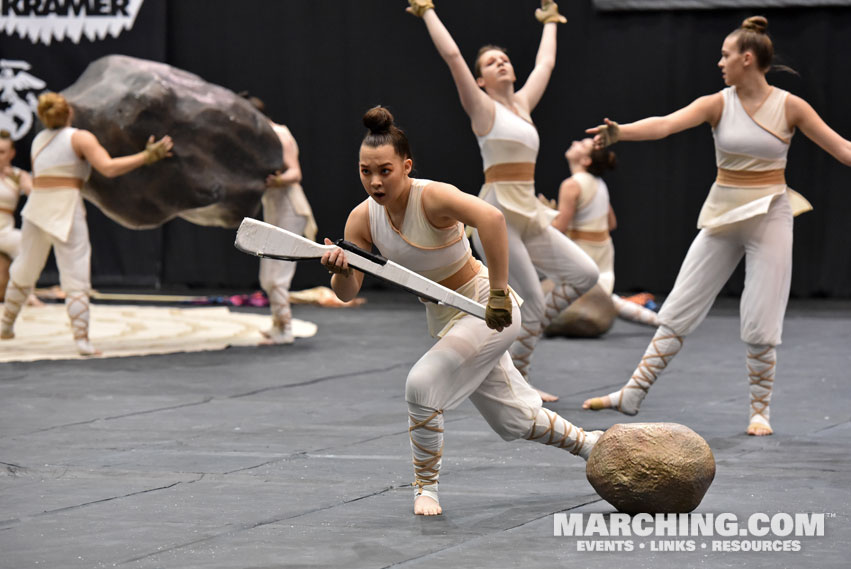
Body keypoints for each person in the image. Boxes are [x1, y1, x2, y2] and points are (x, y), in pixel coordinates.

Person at [322, 106, 600, 516]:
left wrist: (502, 293)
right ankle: (594, 445)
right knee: (516, 420)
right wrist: (338, 270)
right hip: (448, 319)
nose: (375, 181)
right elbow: (348, 293)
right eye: (366, 171)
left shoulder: (432, 196)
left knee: (422, 383)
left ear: (406, 165)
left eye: (385, 170)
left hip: (488, 309)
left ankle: (425, 487)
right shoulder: (361, 220)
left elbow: (492, 218)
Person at [581, 16, 851, 436]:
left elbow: (843, 149)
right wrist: (622, 133)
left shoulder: (790, 106)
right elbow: (666, 123)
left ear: (747, 58)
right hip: (724, 212)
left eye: (726, 55)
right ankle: (633, 392)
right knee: (680, 305)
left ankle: (759, 411)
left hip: (770, 215)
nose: (720, 62)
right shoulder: (718, 103)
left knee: (762, 314)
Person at [407, 0, 599, 402]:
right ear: (480, 81)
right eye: (492, 63)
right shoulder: (482, 109)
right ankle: (521, 382)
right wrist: (427, 12)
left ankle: (530, 328)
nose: (502, 64)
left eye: (505, 60)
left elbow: (545, 64)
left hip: (528, 211)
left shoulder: (523, 105)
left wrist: (550, 22)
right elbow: (453, 55)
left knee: (585, 274)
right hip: (498, 215)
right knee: (531, 306)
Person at [0, 92, 173, 355]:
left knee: (25, 267)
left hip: (37, 206)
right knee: (75, 272)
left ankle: (6, 325)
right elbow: (109, 167)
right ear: (69, 112)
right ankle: (81, 339)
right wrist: (146, 157)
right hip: (65, 206)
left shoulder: (38, 140)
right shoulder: (80, 137)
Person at [552, 138, 659, 327]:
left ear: (586, 161)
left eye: (582, 145)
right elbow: (611, 223)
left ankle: (659, 321)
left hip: (583, 253)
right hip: (603, 254)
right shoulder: (600, 184)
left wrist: (543, 217)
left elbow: (559, 228)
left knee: (601, 298)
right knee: (599, 296)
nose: (575, 142)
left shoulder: (571, 185)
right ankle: (649, 313)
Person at [244, 95, 317, 344]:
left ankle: (285, 329)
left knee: (277, 275)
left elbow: (295, 172)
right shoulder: (264, 138)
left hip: (289, 209)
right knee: (268, 273)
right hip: (276, 208)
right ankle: (278, 323)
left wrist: (276, 181)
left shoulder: (279, 134)